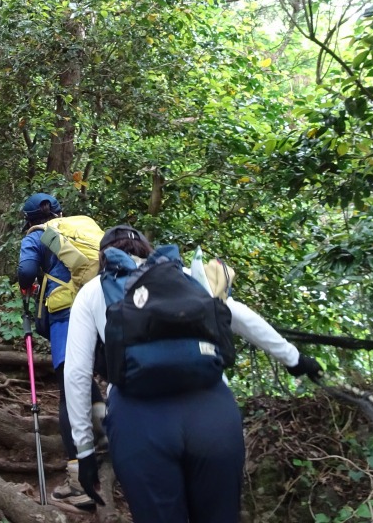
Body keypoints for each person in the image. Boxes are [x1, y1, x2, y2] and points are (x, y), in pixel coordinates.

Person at [65, 224, 323, 522]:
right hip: (212, 413)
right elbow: (242, 317)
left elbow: (76, 373)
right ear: (148, 250)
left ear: (104, 258)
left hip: (138, 420)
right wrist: (295, 360)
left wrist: (84, 451)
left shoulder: (94, 290)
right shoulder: (186, 277)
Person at [16, 192, 104, 510]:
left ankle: (80, 483)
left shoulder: (37, 236)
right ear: (59, 212)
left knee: (70, 393)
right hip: (104, 313)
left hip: (68, 318)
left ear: (29, 219)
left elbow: (26, 272)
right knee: (89, 381)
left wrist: (28, 284)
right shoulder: (84, 226)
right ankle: (105, 441)